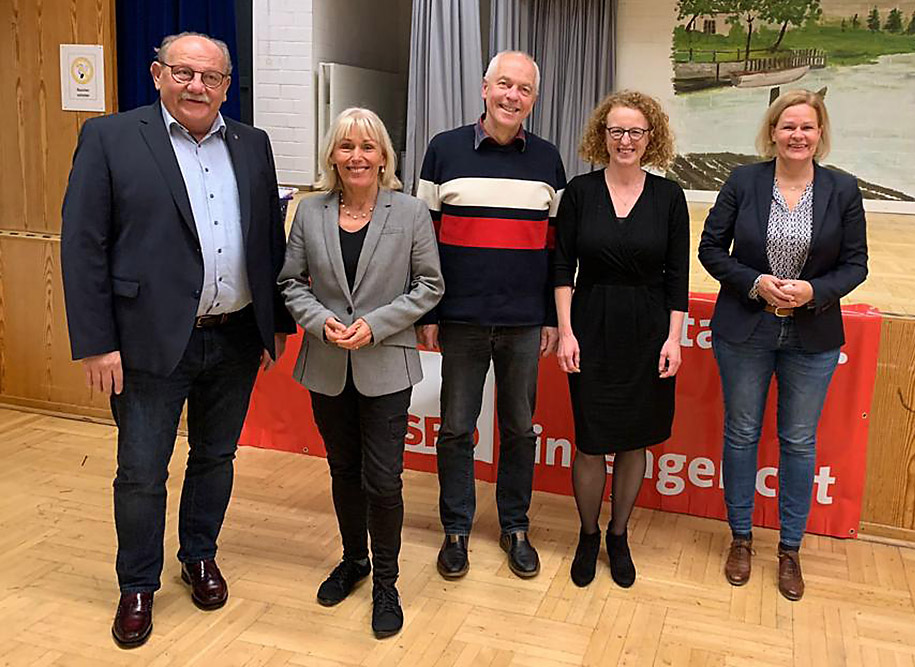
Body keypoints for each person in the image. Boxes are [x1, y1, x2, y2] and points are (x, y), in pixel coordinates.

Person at [60, 32, 295, 648]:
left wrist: (271, 324)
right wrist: (95, 341)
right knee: (141, 471)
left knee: (216, 457)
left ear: (227, 85)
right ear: (158, 73)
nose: (197, 86)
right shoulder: (110, 138)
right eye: (185, 72)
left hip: (235, 336)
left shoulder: (252, 143)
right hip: (146, 342)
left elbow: (267, 239)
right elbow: (84, 245)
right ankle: (137, 584)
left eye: (211, 77)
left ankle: (199, 555)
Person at [698, 89, 868, 601]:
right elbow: (710, 249)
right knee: (741, 434)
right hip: (746, 329)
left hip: (812, 333)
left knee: (798, 441)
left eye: (807, 127)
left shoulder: (842, 189)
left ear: (820, 134)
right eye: (788, 126)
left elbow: (856, 264)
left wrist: (815, 291)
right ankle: (741, 539)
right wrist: (754, 282)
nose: (797, 135)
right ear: (772, 132)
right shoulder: (743, 182)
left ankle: (790, 549)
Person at [279, 107, 443, 638]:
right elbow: (290, 283)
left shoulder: (410, 212)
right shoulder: (309, 211)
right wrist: (318, 320)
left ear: (383, 157)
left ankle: (386, 584)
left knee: (384, 478)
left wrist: (375, 325)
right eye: (346, 146)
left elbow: (429, 286)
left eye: (367, 147)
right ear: (332, 155)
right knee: (343, 471)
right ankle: (354, 561)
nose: (357, 156)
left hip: (386, 365)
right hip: (326, 364)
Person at [415, 51, 566, 580]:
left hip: (524, 322)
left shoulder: (548, 160)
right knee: (456, 429)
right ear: (485, 88)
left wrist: (551, 317)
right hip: (460, 319)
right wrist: (428, 312)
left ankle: (514, 526)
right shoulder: (444, 150)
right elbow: (423, 243)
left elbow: (556, 248)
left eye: (524, 89)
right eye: (504, 84)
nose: (512, 96)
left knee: (520, 429)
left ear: (534, 99)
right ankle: (456, 529)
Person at [553, 91, 689, 588]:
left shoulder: (669, 197)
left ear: (651, 137)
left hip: (649, 331)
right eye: (616, 131)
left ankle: (618, 534)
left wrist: (674, 340)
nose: (625, 140)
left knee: (635, 441)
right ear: (602, 136)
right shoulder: (579, 192)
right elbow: (562, 268)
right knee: (591, 442)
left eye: (635, 131)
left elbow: (677, 277)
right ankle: (588, 534)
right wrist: (566, 332)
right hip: (590, 325)